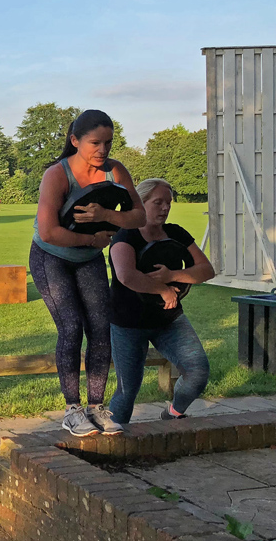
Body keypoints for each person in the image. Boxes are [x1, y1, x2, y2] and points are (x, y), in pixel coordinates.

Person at [31, 110, 145, 436]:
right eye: (95, 142)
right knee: (71, 326)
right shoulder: (57, 175)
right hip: (51, 258)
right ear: (75, 141)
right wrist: (92, 238)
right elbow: (50, 232)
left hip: (89, 258)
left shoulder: (115, 171)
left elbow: (138, 216)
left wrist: (106, 214)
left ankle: (96, 408)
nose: (103, 149)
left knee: (100, 328)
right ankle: (72, 410)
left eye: (108, 142)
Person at [108, 179, 214, 424]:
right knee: (128, 390)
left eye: (168, 202)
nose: (165, 208)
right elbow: (127, 276)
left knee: (197, 371)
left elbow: (206, 270)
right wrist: (162, 290)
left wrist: (173, 276)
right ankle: (113, 437)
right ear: (142, 203)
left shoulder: (176, 233)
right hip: (127, 322)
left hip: (169, 319)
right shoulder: (125, 236)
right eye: (158, 202)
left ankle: (173, 414)